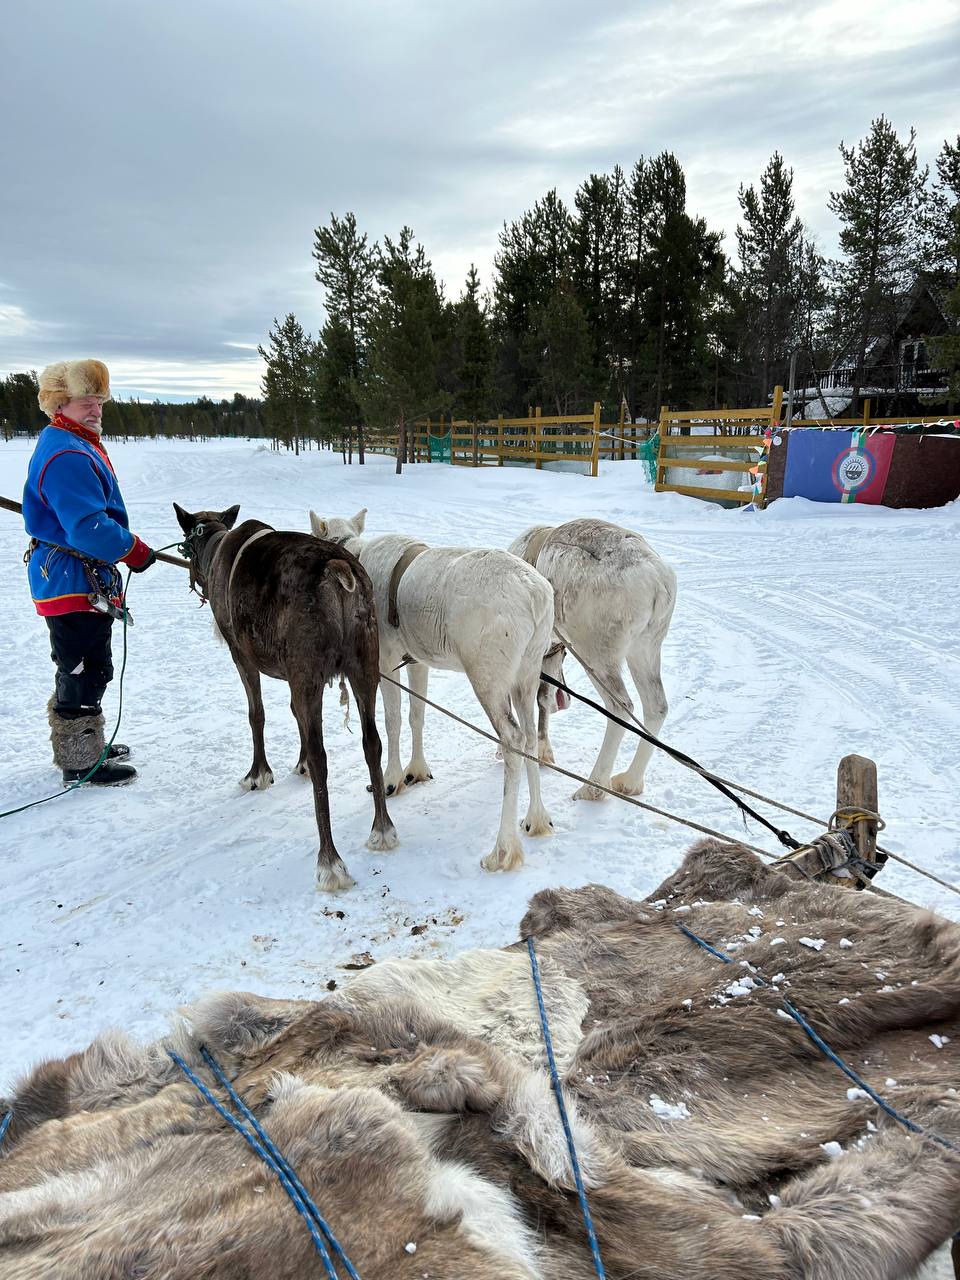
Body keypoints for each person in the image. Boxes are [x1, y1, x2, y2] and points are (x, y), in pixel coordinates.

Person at [22, 359, 156, 786]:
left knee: (86, 660)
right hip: (72, 577)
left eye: (99, 401)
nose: (96, 410)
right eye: (86, 402)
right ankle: (80, 759)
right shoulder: (66, 453)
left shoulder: (71, 440)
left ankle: (86, 740)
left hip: (74, 574)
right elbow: (88, 526)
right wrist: (132, 549)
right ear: (61, 404)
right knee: (83, 664)